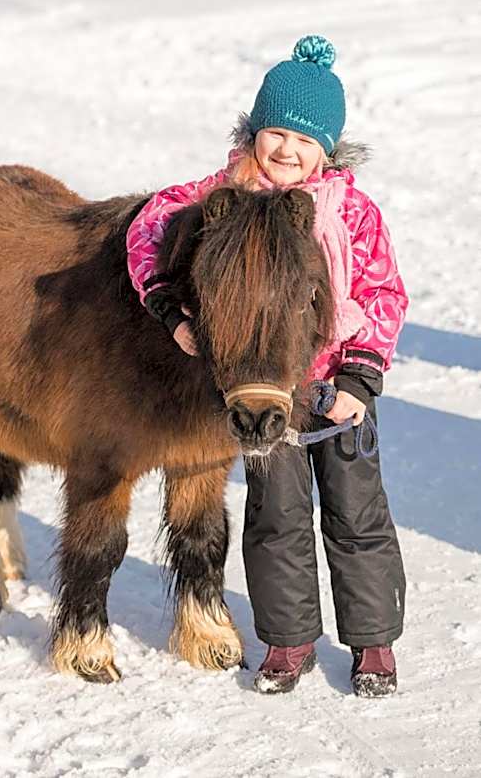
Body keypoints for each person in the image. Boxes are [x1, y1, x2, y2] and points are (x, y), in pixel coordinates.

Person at [126, 35, 408, 697]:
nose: (287, 150)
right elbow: (147, 227)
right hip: (263, 388)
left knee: (356, 514)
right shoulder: (217, 196)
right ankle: (288, 638)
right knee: (274, 515)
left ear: (327, 150)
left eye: (304, 141)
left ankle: (372, 643)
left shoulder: (353, 214)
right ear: (253, 131)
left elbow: (382, 294)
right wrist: (172, 311)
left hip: (338, 390)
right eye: (275, 132)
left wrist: (358, 379)